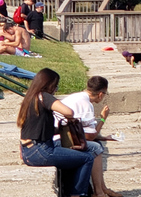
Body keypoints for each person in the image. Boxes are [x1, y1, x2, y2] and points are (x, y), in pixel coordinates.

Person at [18, 68, 95, 197]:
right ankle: (77, 194)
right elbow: (68, 112)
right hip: (41, 150)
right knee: (87, 158)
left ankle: (71, 192)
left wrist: (59, 129)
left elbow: (32, 128)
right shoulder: (44, 96)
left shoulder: (30, 98)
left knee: (74, 155)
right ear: (49, 85)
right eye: (56, 86)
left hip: (28, 151)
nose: (56, 89)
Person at [55, 76, 122, 197]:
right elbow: (90, 137)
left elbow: (84, 132)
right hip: (60, 139)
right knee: (95, 148)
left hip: (62, 135)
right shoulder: (86, 105)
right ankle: (99, 192)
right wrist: (102, 118)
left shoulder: (77, 97)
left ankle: (102, 188)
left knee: (98, 144)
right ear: (100, 94)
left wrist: (103, 137)